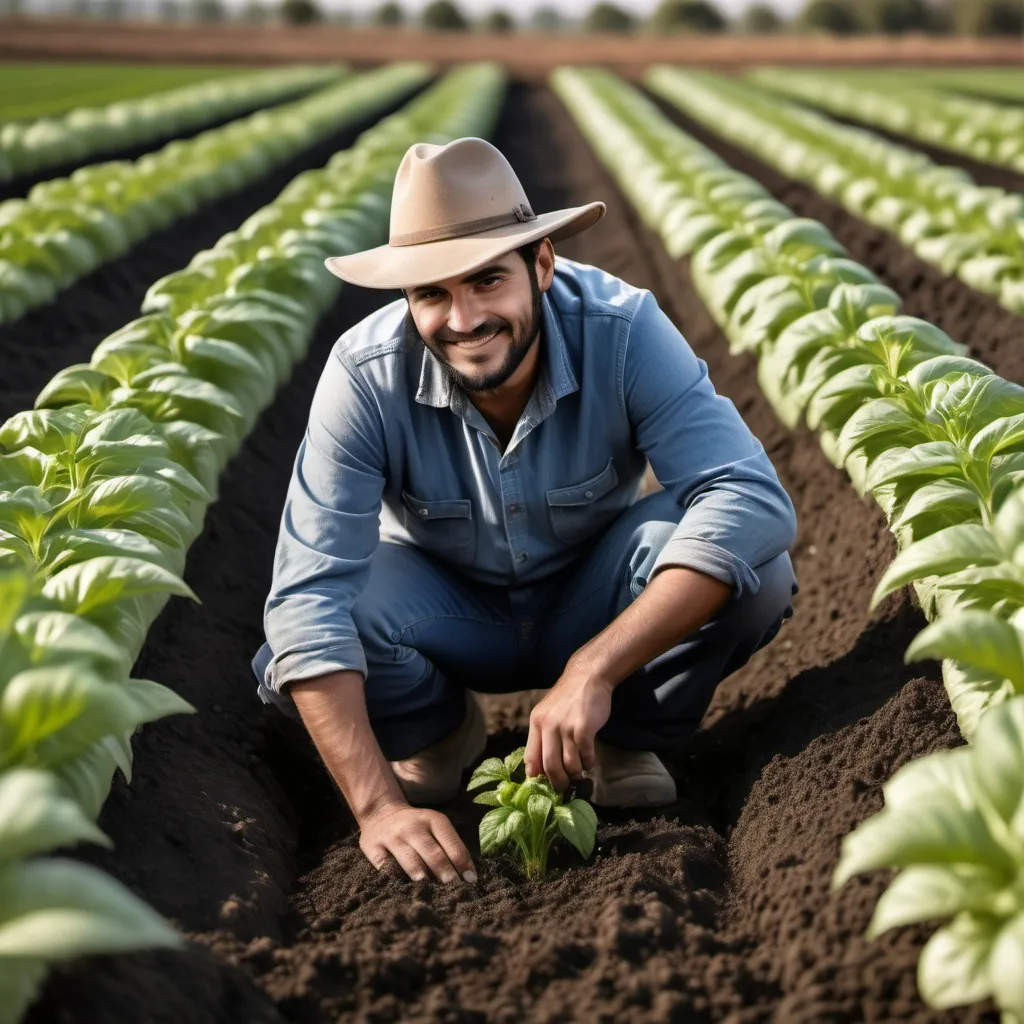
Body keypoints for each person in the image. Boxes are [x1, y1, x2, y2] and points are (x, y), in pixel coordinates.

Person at [252, 137, 798, 886]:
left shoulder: (622, 328)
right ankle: (435, 731)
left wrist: (595, 669)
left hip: (594, 600)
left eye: (486, 281)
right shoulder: (365, 376)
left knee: (755, 569)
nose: (463, 318)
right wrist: (377, 807)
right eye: (431, 294)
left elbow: (751, 495)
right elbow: (305, 600)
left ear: (542, 265)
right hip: (446, 617)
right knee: (310, 635)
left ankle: (630, 732)